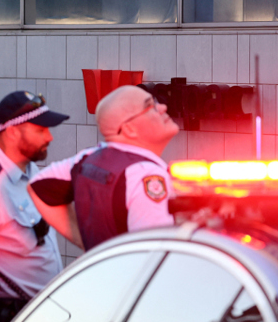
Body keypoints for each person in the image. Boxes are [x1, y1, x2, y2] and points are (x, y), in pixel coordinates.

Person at [29, 85, 181, 252]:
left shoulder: (86, 158)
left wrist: (93, 249)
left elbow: (39, 186)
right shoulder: (146, 175)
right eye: (150, 106)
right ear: (129, 129)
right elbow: (157, 255)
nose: (163, 108)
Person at [0, 92, 69, 322]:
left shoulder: (31, 171)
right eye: (40, 130)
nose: (50, 136)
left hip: (38, 318)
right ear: (13, 132)